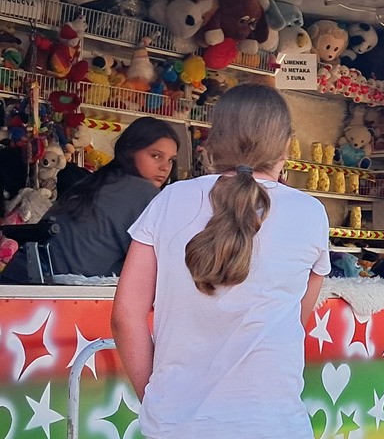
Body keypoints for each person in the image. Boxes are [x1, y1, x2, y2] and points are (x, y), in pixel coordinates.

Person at [112, 84, 330, 439]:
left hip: (175, 427)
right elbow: (295, 319)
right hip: (273, 424)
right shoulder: (310, 213)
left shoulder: (169, 200)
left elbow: (125, 316)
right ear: (286, 145)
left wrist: (156, 400)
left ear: (213, 141)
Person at [0, 116, 180, 282]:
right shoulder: (146, 194)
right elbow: (167, 265)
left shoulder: (94, 181)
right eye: (156, 156)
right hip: (58, 293)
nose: (165, 167)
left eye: (171, 160)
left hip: (16, 279)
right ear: (129, 152)